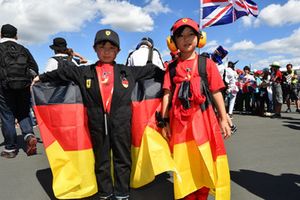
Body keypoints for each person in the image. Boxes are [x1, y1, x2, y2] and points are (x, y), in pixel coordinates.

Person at [32, 28, 163, 200]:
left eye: (111, 48)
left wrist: (170, 76)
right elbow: (63, 72)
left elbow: (152, 70)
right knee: (101, 161)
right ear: (95, 49)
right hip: (96, 125)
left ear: (118, 51)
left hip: (122, 124)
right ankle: (105, 192)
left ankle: (122, 192)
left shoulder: (127, 72)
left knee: (122, 159)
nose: (107, 51)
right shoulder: (84, 71)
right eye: (102, 47)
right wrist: (40, 78)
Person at [160, 18, 231, 200]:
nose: (186, 39)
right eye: (180, 35)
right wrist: (164, 121)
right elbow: (167, 94)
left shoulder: (206, 64)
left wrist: (223, 118)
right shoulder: (172, 68)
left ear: (199, 38)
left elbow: (216, 92)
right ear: (173, 42)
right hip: (180, 126)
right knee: (184, 164)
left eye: (191, 34)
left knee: (205, 162)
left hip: (205, 123)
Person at [0, 24, 39, 158]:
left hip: (4, 88)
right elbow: (34, 68)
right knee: (23, 113)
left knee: (7, 116)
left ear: (1, 34)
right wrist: (26, 80)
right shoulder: (24, 49)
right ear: (16, 35)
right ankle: (28, 136)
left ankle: (10, 148)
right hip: (23, 87)